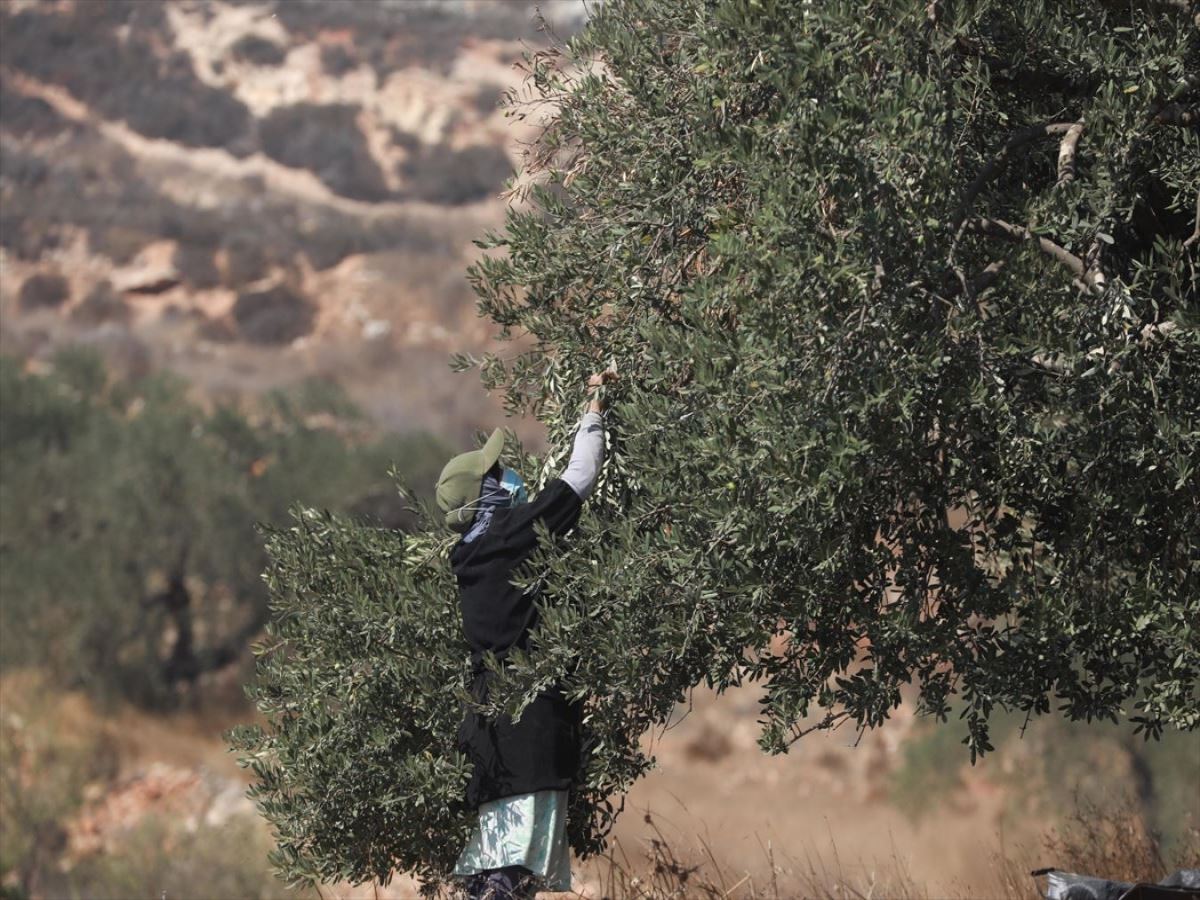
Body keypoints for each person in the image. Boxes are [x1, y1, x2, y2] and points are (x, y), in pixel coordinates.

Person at [435, 370, 617, 900]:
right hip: (528, 732)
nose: (510, 477)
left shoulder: (468, 558)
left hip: (491, 738)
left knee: (493, 874)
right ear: (487, 498)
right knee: (508, 881)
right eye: (499, 477)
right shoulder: (511, 537)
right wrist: (594, 408)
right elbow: (581, 474)